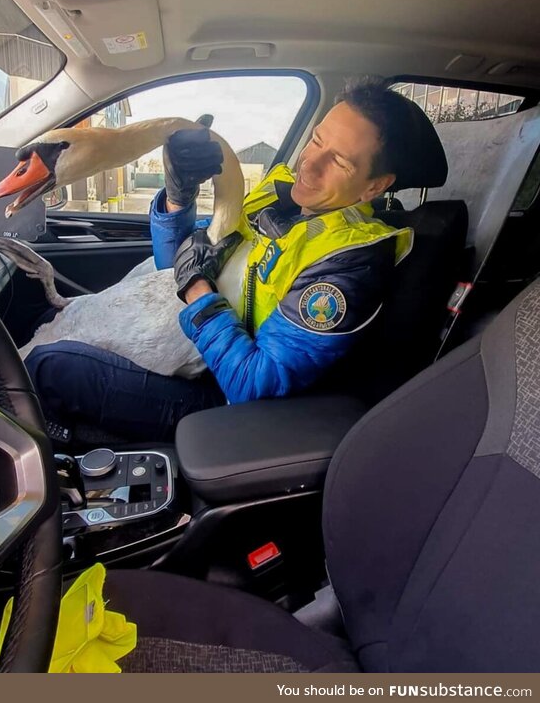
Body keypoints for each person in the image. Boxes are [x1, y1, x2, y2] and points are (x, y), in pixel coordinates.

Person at [25, 79, 443, 443]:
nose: (309, 164)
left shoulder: (350, 264)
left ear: (374, 186)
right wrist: (178, 198)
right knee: (51, 322)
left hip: (224, 398)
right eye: (317, 140)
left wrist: (197, 290)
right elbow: (174, 264)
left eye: (338, 161)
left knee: (49, 368)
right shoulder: (278, 194)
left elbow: (254, 384)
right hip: (194, 350)